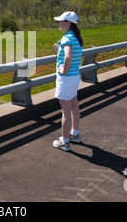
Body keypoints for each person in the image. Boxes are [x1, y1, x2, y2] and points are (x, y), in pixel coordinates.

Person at [52, 11, 84, 152]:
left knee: (65, 112)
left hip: (66, 78)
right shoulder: (76, 37)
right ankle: (74, 135)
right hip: (74, 77)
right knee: (74, 107)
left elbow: (68, 56)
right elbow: (68, 54)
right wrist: (57, 51)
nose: (59, 23)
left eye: (61, 21)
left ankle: (64, 142)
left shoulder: (66, 38)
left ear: (69, 23)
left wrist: (63, 70)